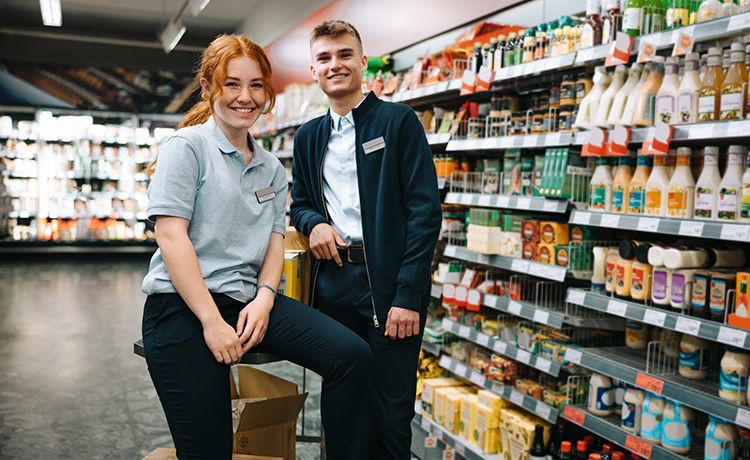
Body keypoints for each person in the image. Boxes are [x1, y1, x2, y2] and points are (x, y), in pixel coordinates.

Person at [141, 34, 371, 460]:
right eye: (232, 84)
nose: (245, 98)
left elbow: (274, 240)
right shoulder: (186, 149)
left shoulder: (270, 166)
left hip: (248, 299)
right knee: (210, 451)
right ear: (209, 87)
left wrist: (266, 298)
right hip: (183, 305)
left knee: (352, 355)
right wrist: (211, 321)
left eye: (256, 86)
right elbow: (171, 237)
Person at [290, 20, 442, 459]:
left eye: (343, 55)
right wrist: (313, 223)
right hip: (335, 284)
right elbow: (300, 202)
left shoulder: (398, 122)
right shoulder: (308, 137)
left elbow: (424, 212)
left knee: (390, 412)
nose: (334, 64)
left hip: (390, 287)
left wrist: (409, 295)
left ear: (361, 61)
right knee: (341, 408)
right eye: (324, 58)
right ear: (313, 70)